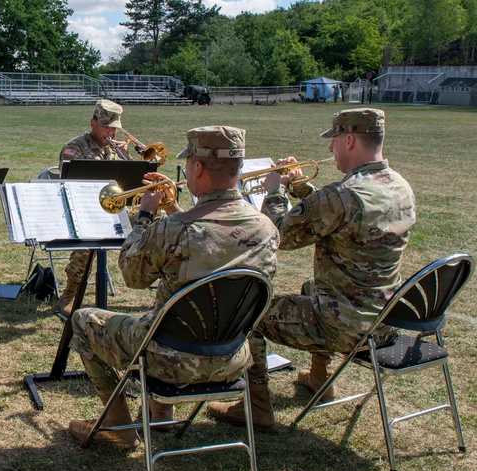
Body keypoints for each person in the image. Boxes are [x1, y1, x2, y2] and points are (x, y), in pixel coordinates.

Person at [68, 126, 279, 449]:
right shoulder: (265, 226)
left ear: (196, 167)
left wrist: (146, 215)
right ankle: (160, 414)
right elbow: (209, 244)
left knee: (83, 320)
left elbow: (132, 276)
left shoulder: (174, 230)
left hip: (168, 362)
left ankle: (120, 426)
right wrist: (173, 208)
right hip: (232, 358)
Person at [209, 108, 415, 429]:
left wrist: (275, 189)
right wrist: (301, 188)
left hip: (344, 326)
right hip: (385, 321)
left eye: (333, 141)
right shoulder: (400, 186)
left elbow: (279, 233)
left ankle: (256, 407)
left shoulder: (344, 194)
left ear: (349, 140)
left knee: (247, 311)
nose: (330, 150)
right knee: (310, 287)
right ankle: (320, 377)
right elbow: (337, 218)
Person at [55, 99, 129, 316]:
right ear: (92, 123)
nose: (111, 133)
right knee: (87, 243)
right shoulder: (75, 148)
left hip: (114, 210)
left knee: (158, 224)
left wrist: (129, 160)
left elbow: (128, 185)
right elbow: (68, 184)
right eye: (106, 127)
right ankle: (71, 293)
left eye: (114, 129)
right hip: (83, 210)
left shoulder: (116, 150)